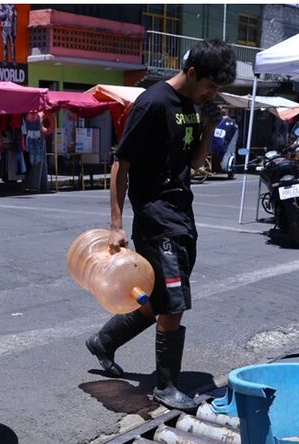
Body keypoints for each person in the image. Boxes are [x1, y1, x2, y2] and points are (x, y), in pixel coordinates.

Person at [85, 39, 236, 412]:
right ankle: (166, 387)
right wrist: (117, 224)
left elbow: (197, 163)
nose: (213, 94)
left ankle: (104, 342)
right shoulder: (152, 103)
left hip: (182, 213)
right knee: (174, 303)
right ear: (193, 72)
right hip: (155, 217)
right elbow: (122, 164)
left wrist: (206, 129)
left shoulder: (191, 107)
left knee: (158, 301)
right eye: (211, 86)